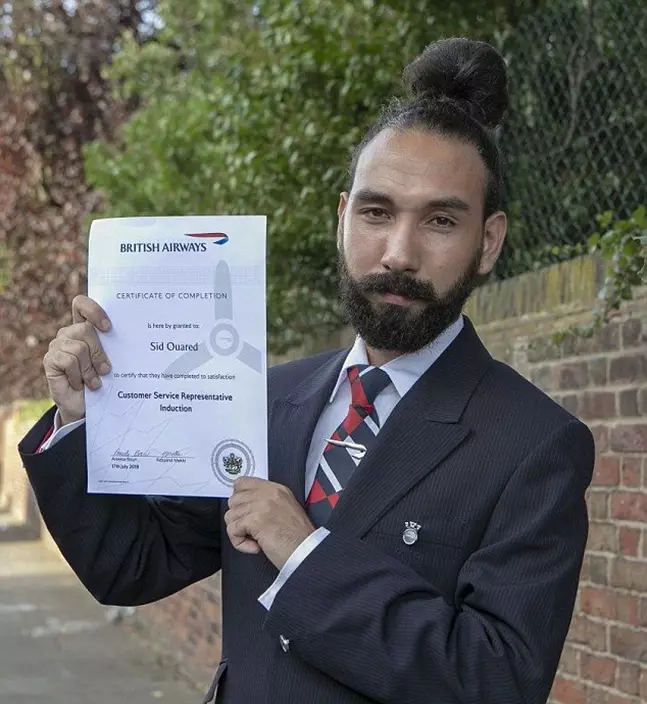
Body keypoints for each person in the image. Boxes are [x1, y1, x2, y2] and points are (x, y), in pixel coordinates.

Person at [19, 38, 594, 704]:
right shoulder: (263, 400)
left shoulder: (534, 445)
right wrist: (81, 418)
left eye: (440, 220)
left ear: (487, 242)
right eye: (376, 213)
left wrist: (304, 554)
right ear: (342, 217)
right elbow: (132, 566)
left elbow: (497, 680)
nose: (398, 252)